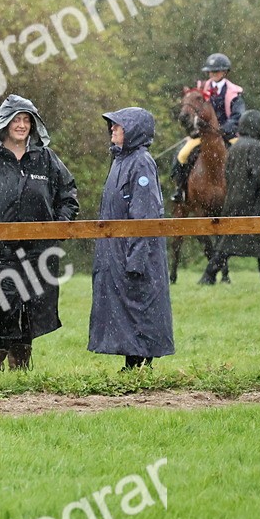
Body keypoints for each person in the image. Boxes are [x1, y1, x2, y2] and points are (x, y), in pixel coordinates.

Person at [0, 94, 79, 370]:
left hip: (38, 253)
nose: (21, 125)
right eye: (16, 120)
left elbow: (68, 195)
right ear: (5, 123)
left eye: (26, 120)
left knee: (31, 312)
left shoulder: (46, 159)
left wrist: (56, 228)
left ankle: (20, 372)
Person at [88, 108, 174, 370]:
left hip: (135, 252)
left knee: (141, 306)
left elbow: (145, 213)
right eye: (112, 125)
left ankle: (141, 362)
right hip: (116, 251)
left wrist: (136, 258)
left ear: (134, 130)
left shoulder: (141, 162)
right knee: (124, 308)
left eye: (119, 126)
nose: (113, 129)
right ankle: (132, 361)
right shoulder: (120, 161)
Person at [200, 110, 260, 285]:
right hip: (254, 204)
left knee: (226, 244)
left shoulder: (235, 146)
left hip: (234, 202)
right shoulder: (255, 147)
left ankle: (208, 276)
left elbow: (228, 174)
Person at [173, 52, 246, 202]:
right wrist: (194, 128)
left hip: (228, 134)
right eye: (211, 71)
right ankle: (180, 190)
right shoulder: (201, 90)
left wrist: (224, 129)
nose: (213, 74)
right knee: (182, 155)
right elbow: (194, 112)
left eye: (216, 71)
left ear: (224, 72)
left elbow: (238, 115)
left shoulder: (233, 93)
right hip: (204, 135)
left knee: (243, 157)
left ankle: (245, 192)